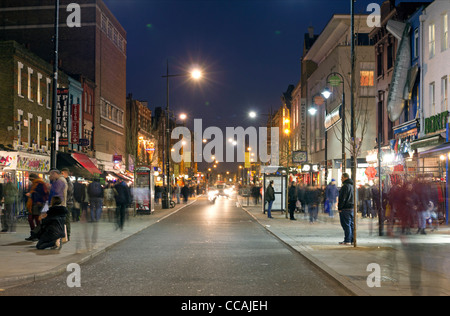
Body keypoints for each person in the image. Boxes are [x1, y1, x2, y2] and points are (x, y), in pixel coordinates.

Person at [25, 173, 48, 241]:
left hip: (37, 204)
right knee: (31, 219)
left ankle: (36, 234)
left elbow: (42, 194)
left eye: (31, 179)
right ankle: (34, 234)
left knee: (36, 219)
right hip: (32, 204)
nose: (30, 181)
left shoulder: (40, 184)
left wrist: (31, 194)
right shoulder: (34, 184)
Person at [338, 173, 354, 245]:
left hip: (345, 208)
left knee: (346, 224)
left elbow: (343, 198)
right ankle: (351, 239)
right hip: (352, 208)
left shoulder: (345, 187)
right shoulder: (353, 186)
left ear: (345, 178)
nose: (341, 179)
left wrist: (340, 207)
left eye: (342, 178)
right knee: (351, 224)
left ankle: (347, 240)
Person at [61, 168, 73, 240]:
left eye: (62, 173)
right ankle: (65, 235)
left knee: (66, 219)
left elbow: (68, 193)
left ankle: (67, 235)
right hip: (66, 203)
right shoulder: (66, 182)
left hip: (67, 203)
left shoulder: (68, 183)